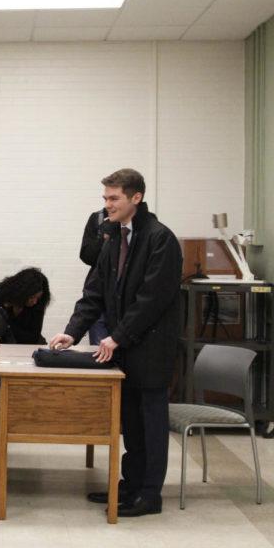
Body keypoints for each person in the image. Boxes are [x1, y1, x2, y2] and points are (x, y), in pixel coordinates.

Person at [49, 168, 182, 517]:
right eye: (105, 198)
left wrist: (117, 336)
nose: (106, 205)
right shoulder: (113, 239)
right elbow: (94, 293)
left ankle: (149, 494)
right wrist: (72, 331)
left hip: (150, 348)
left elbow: (152, 299)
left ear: (135, 198)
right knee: (130, 422)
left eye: (113, 198)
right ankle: (129, 485)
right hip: (125, 348)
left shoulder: (160, 238)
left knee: (150, 423)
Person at [0, 268, 51, 345]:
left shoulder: (39, 303)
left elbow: (33, 336)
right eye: (32, 297)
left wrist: (7, 327)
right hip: (2, 344)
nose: (35, 302)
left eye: (37, 298)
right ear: (22, 293)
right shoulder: (0, 294)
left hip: (29, 345)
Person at [80, 207, 113, 344]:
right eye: (106, 199)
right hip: (99, 292)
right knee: (98, 351)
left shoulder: (144, 224)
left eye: (114, 198)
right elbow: (86, 256)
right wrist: (104, 238)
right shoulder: (97, 218)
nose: (109, 204)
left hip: (125, 298)